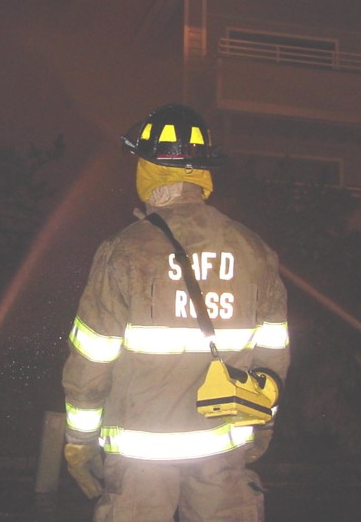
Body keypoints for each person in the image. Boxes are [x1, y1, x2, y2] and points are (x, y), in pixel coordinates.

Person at [62, 104, 290, 522]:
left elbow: (91, 360)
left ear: (148, 170)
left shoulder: (124, 251)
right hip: (223, 453)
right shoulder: (254, 251)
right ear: (203, 172)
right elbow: (273, 358)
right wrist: (263, 424)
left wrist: (80, 440)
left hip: (140, 462)